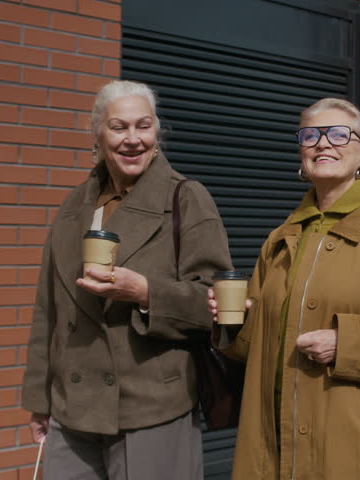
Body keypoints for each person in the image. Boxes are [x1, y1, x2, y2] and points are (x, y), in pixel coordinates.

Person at [208, 98, 360, 479]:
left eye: (338, 134)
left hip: (351, 453)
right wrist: (231, 323)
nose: (322, 143)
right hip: (271, 448)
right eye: (310, 135)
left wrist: (346, 343)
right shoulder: (278, 240)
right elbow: (252, 348)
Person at [21, 80, 232, 479]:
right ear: (97, 134)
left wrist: (146, 292)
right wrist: (40, 399)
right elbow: (48, 308)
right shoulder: (73, 205)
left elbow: (216, 302)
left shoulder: (186, 198)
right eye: (119, 127)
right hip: (72, 408)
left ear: (157, 133)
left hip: (152, 407)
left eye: (144, 126)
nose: (133, 139)